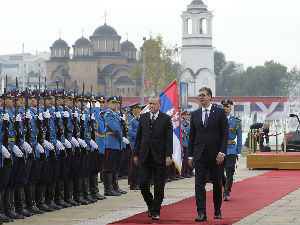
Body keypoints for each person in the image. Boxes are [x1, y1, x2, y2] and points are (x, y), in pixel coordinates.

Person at [188, 87, 228, 222]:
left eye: (203, 95)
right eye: (199, 95)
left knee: (216, 183)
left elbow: (225, 135)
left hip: (215, 155)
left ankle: (217, 209)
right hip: (199, 155)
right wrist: (190, 156)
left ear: (210, 97)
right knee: (199, 184)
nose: (201, 97)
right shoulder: (195, 114)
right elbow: (192, 137)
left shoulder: (220, 113)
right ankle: (201, 213)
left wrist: (222, 152)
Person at [133, 96, 173, 220]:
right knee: (143, 184)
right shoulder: (143, 117)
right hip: (145, 156)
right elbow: (139, 137)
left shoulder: (165, 119)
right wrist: (136, 154)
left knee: (159, 185)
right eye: (150, 103)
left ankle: (156, 210)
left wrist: (168, 156)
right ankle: (151, 204)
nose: (151, 106)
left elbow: (169, 140)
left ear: (159, 105)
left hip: (159, 157)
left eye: (154, 104)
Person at [220, 99, 242, 201]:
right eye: (224, 106)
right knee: (219, 173)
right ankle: (226, 186)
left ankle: (227, 192)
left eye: (227, 106)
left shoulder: (236, 121)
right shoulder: (218, 120)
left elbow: (240, 137)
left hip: (231, 149)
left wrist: (239, 152)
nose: (225, 108)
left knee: (229, 171)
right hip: (220, 149)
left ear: (230, 108)